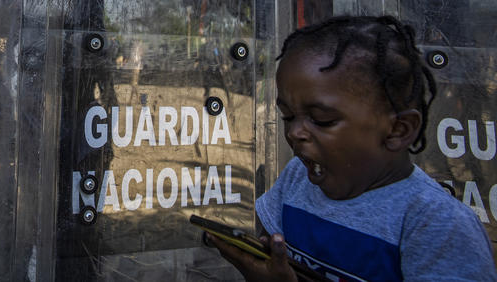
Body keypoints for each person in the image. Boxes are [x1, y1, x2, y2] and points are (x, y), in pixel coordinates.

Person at [211, 15, 496, 280]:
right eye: (288, 116)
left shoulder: (438, 226)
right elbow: (268, 239)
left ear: (398, 130)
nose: (295, 132)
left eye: (322, 119)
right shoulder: (298, 177)